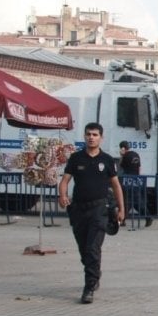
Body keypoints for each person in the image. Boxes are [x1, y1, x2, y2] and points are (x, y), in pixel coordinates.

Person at [58, 123, 125, 304]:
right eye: (88, 134)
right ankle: (94, 272)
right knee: (83, 249)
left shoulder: (107, 160)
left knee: (92, 248)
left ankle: (89, 287)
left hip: (99, 210)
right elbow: (65, 180)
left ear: (101, 137)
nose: (91, 137)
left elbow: (116, 186)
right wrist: (62, 195)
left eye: (95, 134)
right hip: (79, 209)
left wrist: (121, 209)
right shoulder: (76, 158)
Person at [119, 141, 152, 227]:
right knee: (134, 200)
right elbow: (139, 168)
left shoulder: (125, 156)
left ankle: (148, 217)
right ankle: (123, 220)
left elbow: (121, 166)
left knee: (128, 201)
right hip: (136, 180)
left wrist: (122, 155)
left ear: (123, 148)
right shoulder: (136, 154)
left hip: (128, 181)